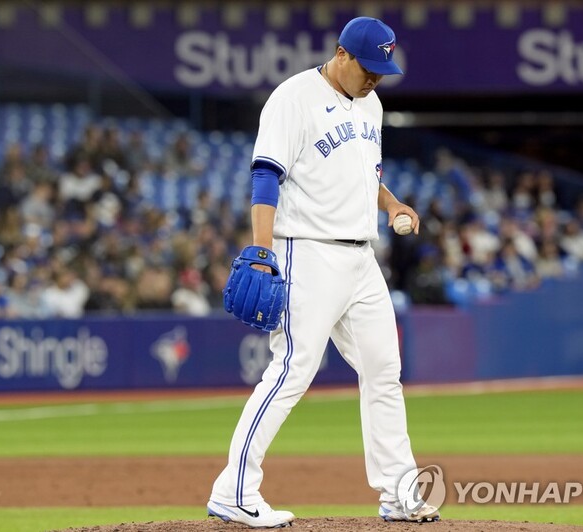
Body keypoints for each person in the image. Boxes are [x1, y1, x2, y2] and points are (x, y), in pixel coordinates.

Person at [207, 17, 439, 528]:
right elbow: (265, 176)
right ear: (341, 54)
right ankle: (234, 491)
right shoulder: (293, 98)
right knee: (292, 368)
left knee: (384, 370)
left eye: (381, 71)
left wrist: (392, 203)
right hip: (306, 251)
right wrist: (261, 249)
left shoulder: (372, 105)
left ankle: (398, 492)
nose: (374, 78)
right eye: (368, 67)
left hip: (361, 256)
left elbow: (365, 174)